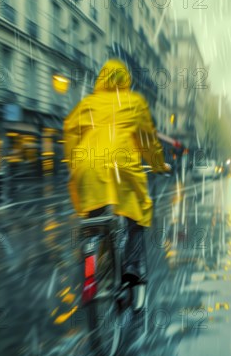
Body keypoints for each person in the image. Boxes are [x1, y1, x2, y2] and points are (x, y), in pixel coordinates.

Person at [63, 59, 170, 285]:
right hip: (122, 168)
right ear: (126, 80)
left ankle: (92, 265)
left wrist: (74, 164)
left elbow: (71, 132)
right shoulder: (134, 102)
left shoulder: (88, 104)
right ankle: (131, 265)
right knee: (136, 215)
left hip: (88, 166)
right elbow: (148, 142)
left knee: (94, 217)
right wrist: (159, 164)